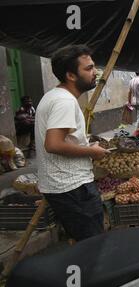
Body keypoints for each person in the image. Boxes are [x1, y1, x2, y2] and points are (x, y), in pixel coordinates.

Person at [35, 45, 109, 242]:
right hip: (73, 187)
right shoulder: (64, 101)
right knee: (93, 246)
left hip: (64, 186)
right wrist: (91, 152)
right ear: (71, 75)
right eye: (88, 68)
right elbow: (53, 144)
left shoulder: (54, 96)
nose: (95, 73)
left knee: (82, 243)